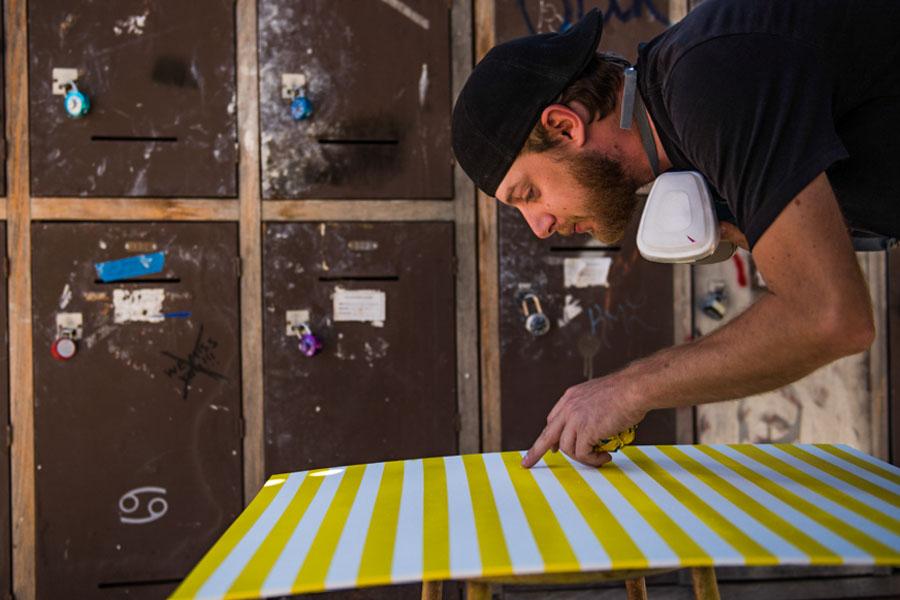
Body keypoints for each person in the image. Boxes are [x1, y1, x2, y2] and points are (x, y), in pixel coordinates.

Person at [450, 0, 900, 468]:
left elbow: (829, 316)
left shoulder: (707, 81)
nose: (540, 226)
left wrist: (632, 388)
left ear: (564, 126)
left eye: (529, 193)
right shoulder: (679, 111)